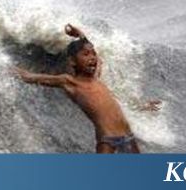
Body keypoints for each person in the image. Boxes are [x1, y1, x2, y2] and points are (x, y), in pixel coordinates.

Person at [13, 24, 160, 153]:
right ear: (72, 61)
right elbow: (31, 77)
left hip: (128, 137)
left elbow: (113, 104)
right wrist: (11, 69)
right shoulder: (70, 82)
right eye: (86, 54)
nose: (92, 57)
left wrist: (80, 35)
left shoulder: (96, 78)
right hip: (107, 140)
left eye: (93, 54)